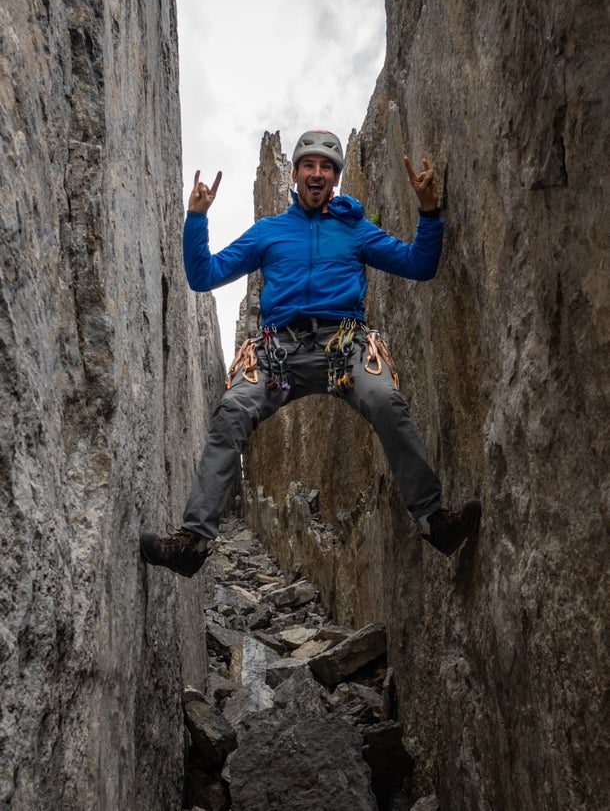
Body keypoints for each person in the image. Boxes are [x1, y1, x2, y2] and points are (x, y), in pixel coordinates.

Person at [140, 130, 481, 578]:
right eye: (309, 165)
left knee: (384, 400)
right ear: (296, 173)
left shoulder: (355, 229)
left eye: (327, 167)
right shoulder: (269, 232)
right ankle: (193, 543)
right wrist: (196, 218)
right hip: (277, 349)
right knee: (233, 410)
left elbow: (419, 264)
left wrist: (429, 210)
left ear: (335, 178)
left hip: (344, 343)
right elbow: (205, 275)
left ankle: (435, 521)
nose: (317, 173)